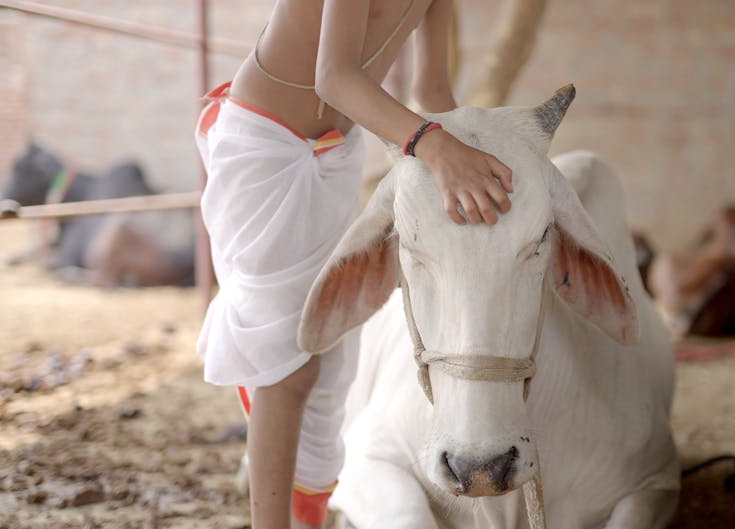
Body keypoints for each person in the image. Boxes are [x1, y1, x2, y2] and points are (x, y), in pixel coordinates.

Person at [194, 1, 514, 528]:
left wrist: (479, 159)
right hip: (265, 143)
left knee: (328, 346)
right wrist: (436, 149)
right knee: (290, 362)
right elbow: (334, 78)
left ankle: (304, 516)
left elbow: (431, 93)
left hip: (336, 148)